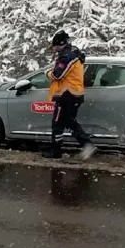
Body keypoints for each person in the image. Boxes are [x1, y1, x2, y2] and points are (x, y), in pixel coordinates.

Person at [43, 30, 96, 160]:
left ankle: (56, 152)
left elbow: (57, 74)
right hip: (75, 94)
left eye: (55, 46)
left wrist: (48, 73)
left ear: (60, 44)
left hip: (66, 95)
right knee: (68, 122)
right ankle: (85, 145)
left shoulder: (66, 57)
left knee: (57, 123)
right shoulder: (73, 54)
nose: (54, 49)